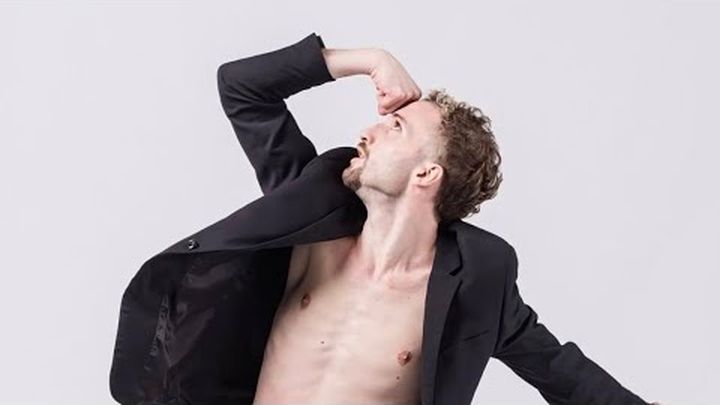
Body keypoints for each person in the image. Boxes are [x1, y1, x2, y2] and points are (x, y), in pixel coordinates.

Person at [110, 32, 661, 405]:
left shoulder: (474, 283)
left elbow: (559, 371)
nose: (367, 131)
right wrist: (369, 59)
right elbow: (243, 89)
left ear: (427, 174)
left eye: (396, 128)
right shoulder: (309, 216)